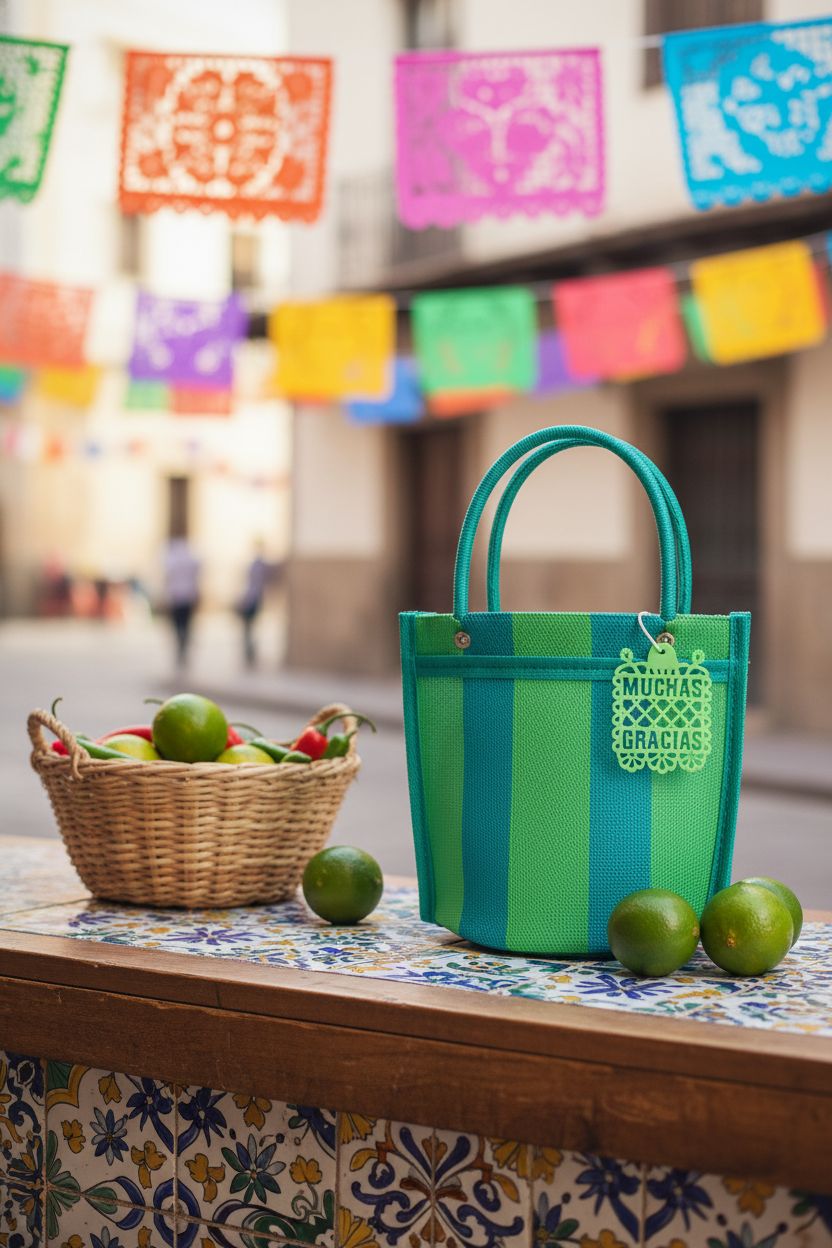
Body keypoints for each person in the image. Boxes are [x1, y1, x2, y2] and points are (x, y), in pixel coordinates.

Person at [236, 543, 280, 669]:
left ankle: (250, 652)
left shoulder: (257, 565)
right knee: (249, 628)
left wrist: (245, 600)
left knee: (248, 628)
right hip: (254, 599)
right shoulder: (260, 565)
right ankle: (250, 652)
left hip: (252, 599)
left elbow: (253, 586)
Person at [163, 537, 200, 668]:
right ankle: (183, 648)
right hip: (186, 597)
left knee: (179, 626)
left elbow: (168, 579)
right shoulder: (191, 561)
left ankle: (181, 648)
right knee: (185, 626)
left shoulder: (173, 562)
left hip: (178, 598)